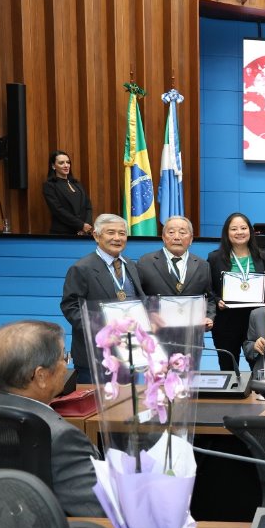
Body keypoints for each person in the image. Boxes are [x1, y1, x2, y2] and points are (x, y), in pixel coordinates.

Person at [0, 320, 103, 516]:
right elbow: (99, 509)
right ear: (40, 376)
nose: (67, 365)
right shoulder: (60, 437)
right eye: (64, 358)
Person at [60, 214, 145, 383]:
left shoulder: (131, 265)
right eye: (111, 232)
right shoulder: (81, 268)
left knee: (128, 405)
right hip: (96, 356)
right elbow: (71, 308)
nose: (117, 238)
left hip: (129, 354)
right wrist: (102, 330)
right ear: (96, 236)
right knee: (96, 408)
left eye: (122, 233)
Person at [207, 213, 265, 372]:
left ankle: (262, 396)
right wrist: (217, 300)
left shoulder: (263, 257)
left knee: (259, 366)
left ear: (250, 231)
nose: (239, 232)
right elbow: (208, 289)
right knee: (228, 367)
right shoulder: (215, 258)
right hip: (226, 321)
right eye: (234, 229)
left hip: (255, 321)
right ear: (226, 233)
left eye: (243, 228)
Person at [136, 215, 215, 331]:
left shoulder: (203, 265)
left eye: (182, 233)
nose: (177, 237)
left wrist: (208, 317)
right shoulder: (145, 262)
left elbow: (210, 299)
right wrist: (150, 315)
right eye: (171, 232)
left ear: (191, 239)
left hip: (191, 336)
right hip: (156, 335)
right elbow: (138, 297)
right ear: (163, 237)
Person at [42, 150, 93, 235]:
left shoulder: (77, 183)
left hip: (83, 233)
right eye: (61, 163)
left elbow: (88, 206)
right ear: (53, 166)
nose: (66, 165)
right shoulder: (49, 185)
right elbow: (58, 210)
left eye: (68, 162)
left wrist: (86, 226)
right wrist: (81, 225)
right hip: (63, 233)